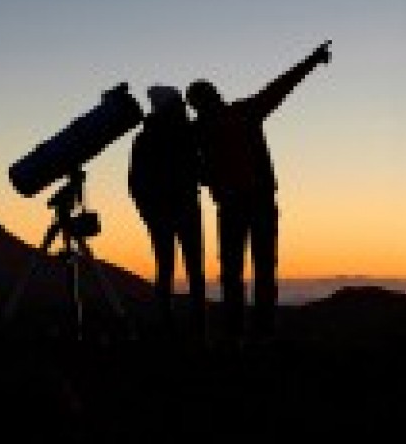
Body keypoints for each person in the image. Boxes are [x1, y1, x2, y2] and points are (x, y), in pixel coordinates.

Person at [185, 40, 331, 347]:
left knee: (234, 272)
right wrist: (313, 60)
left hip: (233, 206)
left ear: (196, 104)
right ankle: (262, 332)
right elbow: (280, 87)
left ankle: (235, 333)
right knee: (262, 269)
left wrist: (210, 179)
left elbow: (193, 170)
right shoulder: (243, 112)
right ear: (215, 96)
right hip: (258, 203)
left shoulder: (198, 132)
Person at [128, 84, 206, 341]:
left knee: (166, 269)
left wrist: (149, 214)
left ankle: (168, 326)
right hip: (183, 210)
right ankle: (197, 328)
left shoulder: (144, 138)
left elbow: (135, 183)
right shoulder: (188, 134)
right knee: (193, 270)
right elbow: (199, 169)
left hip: (163, 214)